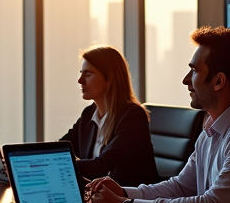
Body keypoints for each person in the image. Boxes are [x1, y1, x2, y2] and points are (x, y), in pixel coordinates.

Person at [87, 27, 230, 203]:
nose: (186, 80)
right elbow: (181, 187)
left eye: (194, 70)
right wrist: (124, 193)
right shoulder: (213, 128)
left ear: (218, 81)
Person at [60, 45, 159, 187]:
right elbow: (61, 146)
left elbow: (101, 165)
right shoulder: (88, 115)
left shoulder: (133, 117)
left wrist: (59, 163)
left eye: (88, 74)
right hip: (98, 200)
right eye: (81, 73)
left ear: (109, 78)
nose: (80, 80)